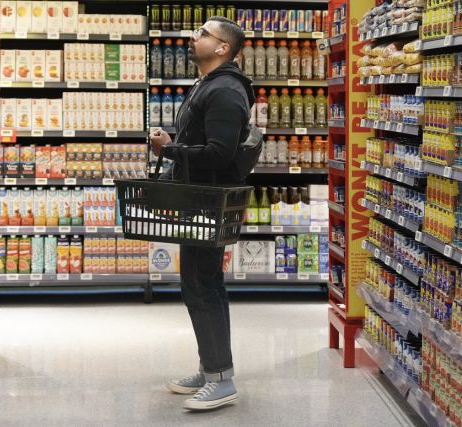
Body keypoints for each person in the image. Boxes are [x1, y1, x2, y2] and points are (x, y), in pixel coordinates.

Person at [150, 16, 253, 411]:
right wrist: (175, 143)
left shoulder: (225, 89)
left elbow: (220, 154)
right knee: (203, 282)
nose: (194, 38)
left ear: (223, 47)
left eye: (204, 34)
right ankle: (212, 369)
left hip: (211, 200)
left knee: (201, 285)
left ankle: (222, 379)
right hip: (201, 198)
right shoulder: (210, 84)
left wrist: (169, 151)